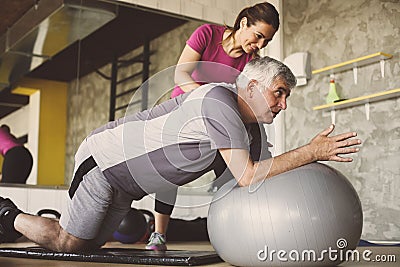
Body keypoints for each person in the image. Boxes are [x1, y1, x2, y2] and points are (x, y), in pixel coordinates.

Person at [0, 57, 361, 252]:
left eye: (286, 98)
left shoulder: (251, 128)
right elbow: (250, 174)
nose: (283, 105)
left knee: (90, 245)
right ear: (252, 86)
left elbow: (251, 180)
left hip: (128, 186)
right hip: (105, 162)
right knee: (69, 243)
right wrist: (313, 152)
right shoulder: (218, 102)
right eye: (279, 94)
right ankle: (6, 213)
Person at [148, 1, 280, 250]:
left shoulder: (251, 62)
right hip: (183, 112)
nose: (260, 45)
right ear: (243, 23)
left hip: (217, 121)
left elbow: (247, 102)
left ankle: (230, 231)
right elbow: (180, 75)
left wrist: (258, 137)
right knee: (170, 173)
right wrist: (208, 99)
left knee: (230, 171)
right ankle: (159, 234)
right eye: (258, 36)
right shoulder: (207, 34)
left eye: (266, 41)